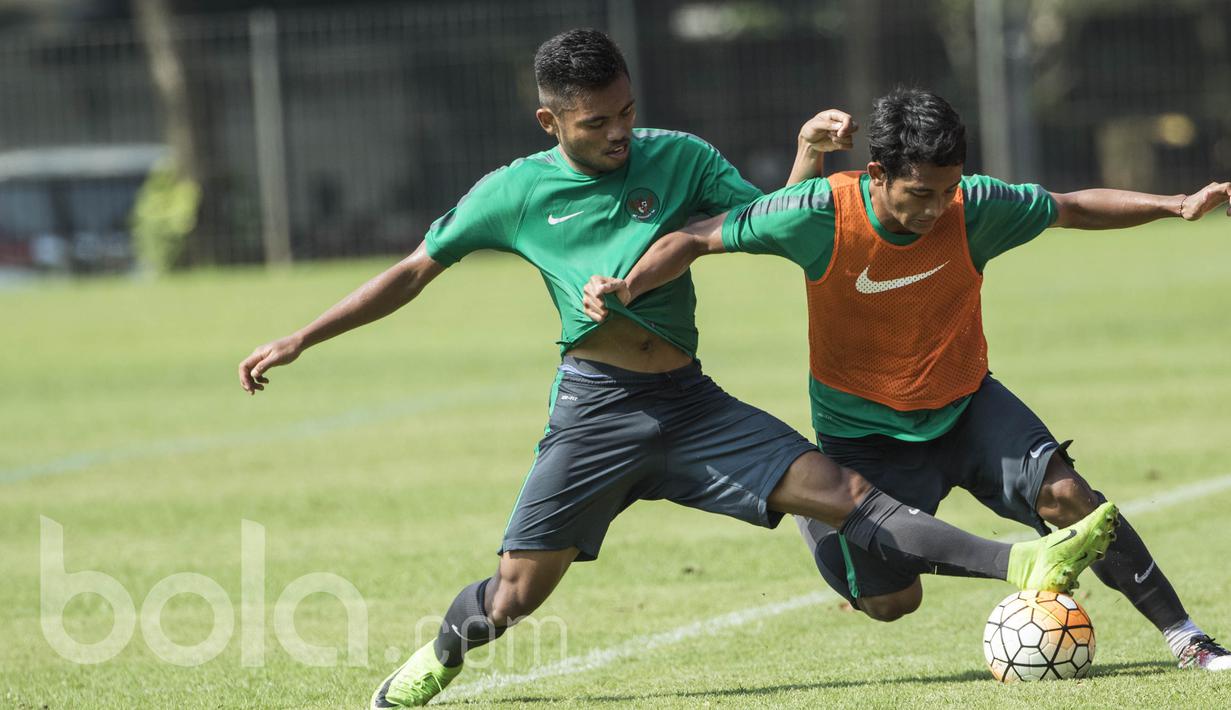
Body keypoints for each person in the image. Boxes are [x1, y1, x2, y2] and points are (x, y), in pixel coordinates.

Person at [239, 37, 1117, 708]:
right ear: (551, 123)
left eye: (626, 111)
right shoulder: (510, 193)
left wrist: (808, 153)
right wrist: (301, 339)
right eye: (597, 123)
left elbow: (766, 219)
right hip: (595, 413)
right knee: (512, 595)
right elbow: (409, 272)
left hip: (691, 403)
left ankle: (1021, 566)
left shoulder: (679, 156)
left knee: (848, 494)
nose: (621, 132)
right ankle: (438, 656)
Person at [583, 87, 1230, 672]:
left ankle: (1187, 639)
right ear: (876, 174)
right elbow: (696, 238)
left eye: (945, 190)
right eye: (919, 193)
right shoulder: (817, 214)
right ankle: (825, 518)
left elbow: (1067, 207)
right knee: (894, 602)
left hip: (967, 406)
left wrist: (1174, 203)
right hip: (862, 436)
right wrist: (629, 285)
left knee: (1068, 498)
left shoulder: (971, 208)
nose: (935, 209)